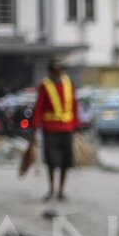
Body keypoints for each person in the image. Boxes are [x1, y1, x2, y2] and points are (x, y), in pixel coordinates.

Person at [31, 57, 80, 202]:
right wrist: (34, 127)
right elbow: (38, 107)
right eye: (56, 69)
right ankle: (52, 189)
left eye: (61, 69)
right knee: (52, 161)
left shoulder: (69, 83)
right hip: (50, 128)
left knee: (66, 161)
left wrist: (77, 125)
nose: (59, 72)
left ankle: (61, 191)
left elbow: (74, 105)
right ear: (51, 70)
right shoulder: (45, 85)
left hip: (67, 128)